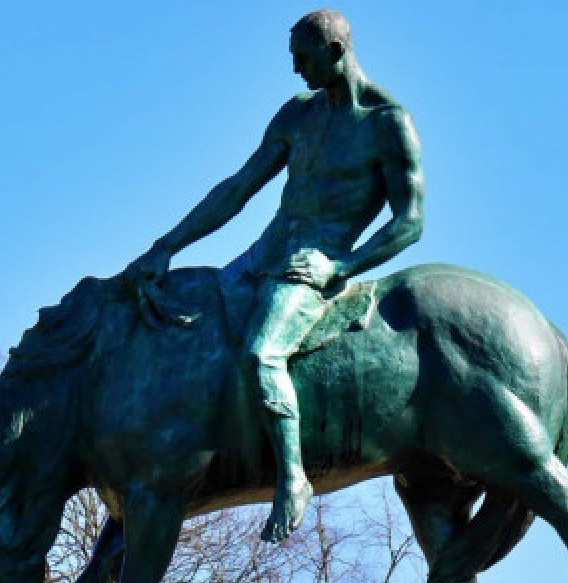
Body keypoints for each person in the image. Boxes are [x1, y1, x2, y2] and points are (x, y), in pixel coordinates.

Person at [125, 10, 424, 544]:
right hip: (262, 254)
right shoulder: (296, 116)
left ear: (336, 52)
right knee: (186, 321)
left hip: (314, 264)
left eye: (303, 59)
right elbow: (237, 189)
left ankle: (293, 477)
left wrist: (343, 267)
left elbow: (410, 222)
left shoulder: (387, 123)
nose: (295, 71)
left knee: (261, 353)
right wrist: (165, 246)